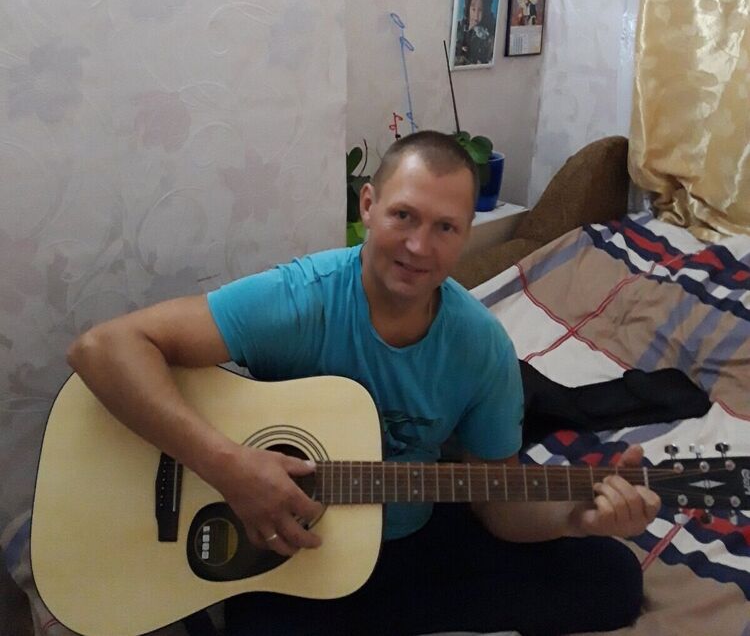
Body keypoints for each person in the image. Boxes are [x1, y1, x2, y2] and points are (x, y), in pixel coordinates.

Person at [68, 130, 660, 636]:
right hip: (289, 544)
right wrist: (228, 467)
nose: (419, 246)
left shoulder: (481, 346)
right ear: (369, 205)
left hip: (407, 535)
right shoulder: (301, 299)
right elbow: (101, 348)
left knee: (611, 579)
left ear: (465, 234)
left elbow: (497, 506)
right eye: (404, 216)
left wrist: (574, 518)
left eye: (445, 227)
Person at [454, 0, 496, 65]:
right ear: (468, 8)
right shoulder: (459, 28)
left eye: (480, 10)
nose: (476, 15)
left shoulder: (488, 36)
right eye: (473, 9)